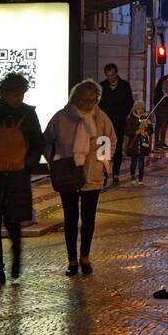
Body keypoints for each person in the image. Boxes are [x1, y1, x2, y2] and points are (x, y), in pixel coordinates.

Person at [0, 73, 44, 289]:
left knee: (13, 221)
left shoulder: (29, 115)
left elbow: (37, 142)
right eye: (15, 94)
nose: (19, 98)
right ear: (4, 94)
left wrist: (29, 164)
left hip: (17, 175)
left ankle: (16, 251)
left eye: (22, 94)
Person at [43, 80, 116, 277]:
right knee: (70, 219)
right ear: (76, 98)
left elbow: (109, 141)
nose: (90, 104)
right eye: (86, 100)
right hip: (68, 175)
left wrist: (103, 163)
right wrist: (55, 162)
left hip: (92, 175)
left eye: (94, 100)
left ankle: (85, 256)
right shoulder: (61, 117)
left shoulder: (101, 118)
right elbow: (47, 141)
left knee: (89, 219)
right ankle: (71, 260)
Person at [99, 63, 134, 186]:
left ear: (116, 73)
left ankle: (115, 174)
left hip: (119, 122)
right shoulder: (101, 86)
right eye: (108, 76)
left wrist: (123, 114)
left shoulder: (124, 86)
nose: (110, 78)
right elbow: (98, 105)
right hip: (104, 123)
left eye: (112, 75)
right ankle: (103, 174)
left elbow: (130, 102)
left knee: (118, 149)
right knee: (104, 149)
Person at [124, 102, 152, 184]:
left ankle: (140, 179)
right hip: (134, 145)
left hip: (143, 145)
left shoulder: (146, 119)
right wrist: (135, 132)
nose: (141, 110)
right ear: (135, 110)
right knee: (133, 163)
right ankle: (132, 176)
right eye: (139, 109)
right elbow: (127, 131)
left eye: (142, 109)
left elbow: (150, 129)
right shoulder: (131, 119)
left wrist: (147, 132)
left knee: (141, 163)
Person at [152, 68, 168, 148]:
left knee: (158, 124)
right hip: (164, 104)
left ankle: (156, 142)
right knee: (164, 124)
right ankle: (162, 143)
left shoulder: (163, 78)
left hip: (157, 103)